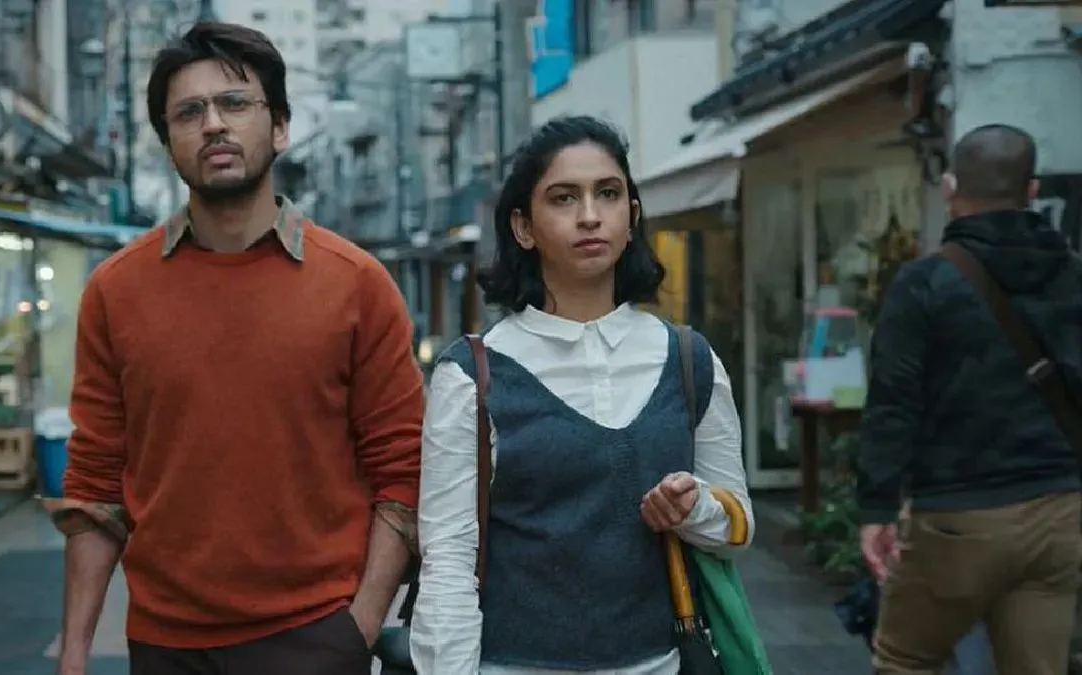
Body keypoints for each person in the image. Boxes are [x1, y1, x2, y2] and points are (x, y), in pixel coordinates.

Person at [45, 22, 423, 675]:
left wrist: (357, 626)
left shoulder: (358, 285)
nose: (214, 124)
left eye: (235, 104)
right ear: (169, 145)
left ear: (278, 128)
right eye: (190, 112)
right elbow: (96, 482)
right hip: (165, 644)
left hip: (316, 636)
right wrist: (75, 651)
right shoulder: (116, 290)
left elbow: (404, 471)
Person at [410, 115, 754, 674]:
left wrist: (694, 508)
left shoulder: (689, 360)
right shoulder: (474, 375)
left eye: (609, 194)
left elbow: (737, 531)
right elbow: (448, 562)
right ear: (523, 227)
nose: (590, 215)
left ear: (632, 217)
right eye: (564, 198)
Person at [858, 123, 1082, 675]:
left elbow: (893, 401)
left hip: (957, 515)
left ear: (950, 187)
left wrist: (877, 509)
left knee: (906, 659)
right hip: (1059, 511)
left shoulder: (925, 284)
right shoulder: (1073, 276)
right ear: (1032, 193)